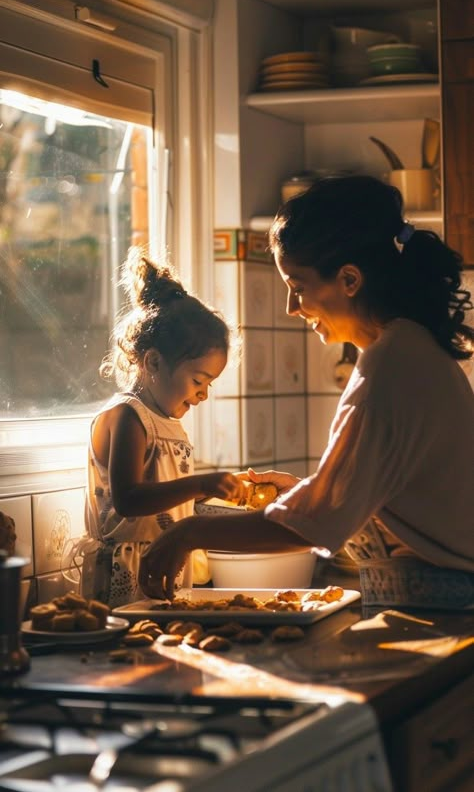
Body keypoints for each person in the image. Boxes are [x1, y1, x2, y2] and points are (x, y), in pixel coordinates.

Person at [139, 175, 474, 611]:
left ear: (349, 279)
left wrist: (189, 533)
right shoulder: (408, 348)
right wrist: (302, 491)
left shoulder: (387, 368)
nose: (291, 308)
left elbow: (315, 525)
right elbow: (375, 496)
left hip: (446, 605)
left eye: (297, 287)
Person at [76, 247, 246, 607]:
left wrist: (218, 491)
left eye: (209, 384)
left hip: (166, 558)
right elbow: (129, 499)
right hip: (128, 568)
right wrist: (201, 482)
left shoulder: (168, 424)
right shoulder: (129, 417)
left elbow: (167, 497)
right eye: (199, 380)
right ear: (153, 361)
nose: (203, 394)